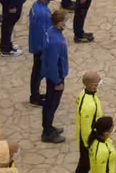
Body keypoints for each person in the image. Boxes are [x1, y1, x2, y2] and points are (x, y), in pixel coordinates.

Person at [40, 9, 70, 143]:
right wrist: (57, 81)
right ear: (59, 23)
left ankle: (49, 127)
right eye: (64, 21)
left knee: (49, 103)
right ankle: (47, 132)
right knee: (51, 105)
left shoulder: (51, 31)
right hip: (55, 76)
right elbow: (53, 63)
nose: (65, 24)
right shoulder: (56, 41)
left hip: (52, 75)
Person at [27, 0, 53, 105]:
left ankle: (35, 93)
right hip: (40, 47)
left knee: (37, 71)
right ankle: (34, 97)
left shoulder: (37, 6)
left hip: (38, 45)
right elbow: (42, 33)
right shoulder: (41, 13)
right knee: (38, 72)